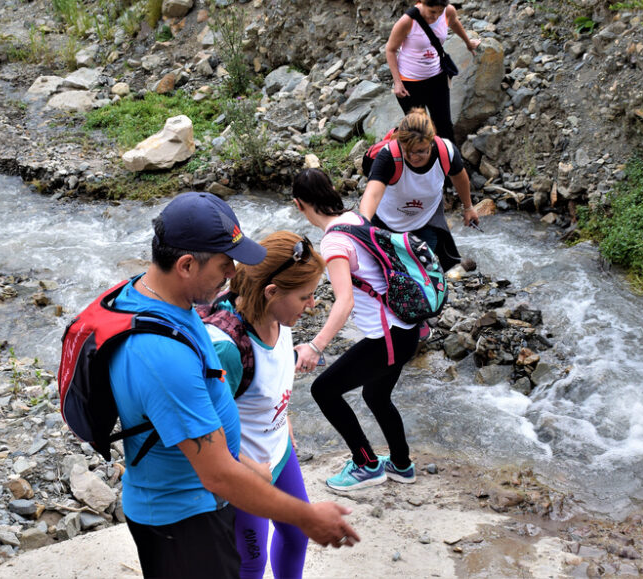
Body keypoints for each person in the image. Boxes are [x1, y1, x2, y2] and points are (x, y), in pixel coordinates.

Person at [108, 192, 359, 579]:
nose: (233, 275)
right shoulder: (169, 353)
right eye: (226, 264)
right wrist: (307, 516)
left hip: (228, 483)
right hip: (183, 517)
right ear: (187, 265)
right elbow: (218, 471)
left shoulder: (173, 303)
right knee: (251, 562)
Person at [205, 231, 326, 579]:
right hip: (246, 470)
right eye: (305, 296)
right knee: (251, 562)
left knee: (297, 534)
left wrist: (283, 421)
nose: (313, 305)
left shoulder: (279, 317)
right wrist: (248, 469)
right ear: (271, 292)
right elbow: (202, 434)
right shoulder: (225, 348)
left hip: (279, 452)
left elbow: (270, 381)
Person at [291, 170, 420, 492]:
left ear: (298, 205)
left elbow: (344, 303)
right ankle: (401, 465)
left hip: (388, 337)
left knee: (323, 390)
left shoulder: (334, 241)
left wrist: (315, 346)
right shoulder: (356, 218)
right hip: (407, 330)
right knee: (375, 394)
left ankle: (366, 464)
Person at [359, 108, 479, 272]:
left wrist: (468, 207)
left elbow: (460, 177)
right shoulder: (389, 156)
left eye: (421, 151)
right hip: (385, 223)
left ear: (431, 141)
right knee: (384, 272)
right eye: (408, 152)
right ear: (401, 144)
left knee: (420, 272)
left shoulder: (446, 151)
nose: (414, 157)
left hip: (424, 223)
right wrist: (363, 222)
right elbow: (372, 194)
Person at [386, 0, 481, 142]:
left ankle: (450, 163)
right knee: (419, 130)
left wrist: (468, 42)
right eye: (432, 11)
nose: (435, 16)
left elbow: (455, 22)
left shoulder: (448, 11)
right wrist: (397, 82)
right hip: (411, 83)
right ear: (421, 1)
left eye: (440, 11)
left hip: (436, 78)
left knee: (444, 126)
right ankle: (426, 164)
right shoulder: (407, 21)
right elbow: (390, 49)